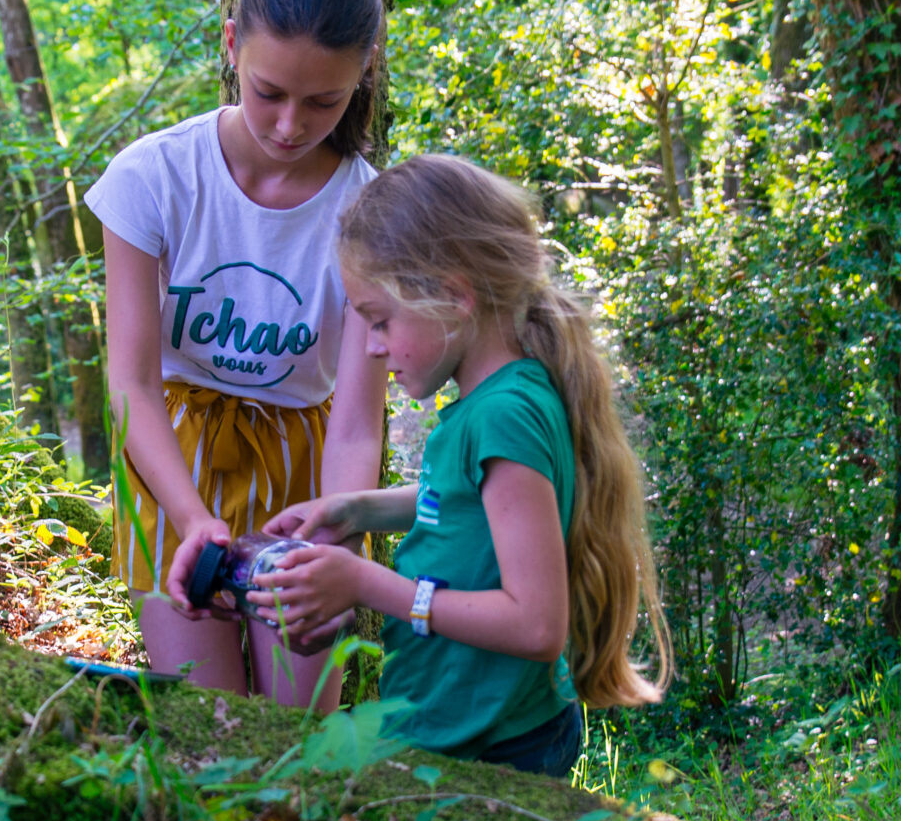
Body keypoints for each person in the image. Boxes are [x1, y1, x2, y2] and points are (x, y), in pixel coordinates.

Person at [243, 155, 673, 777]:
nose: (371, 346)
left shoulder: (503, 416)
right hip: (453, 726)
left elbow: (536, 625)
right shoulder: (501, 399)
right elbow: (467, 505)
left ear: (451, 295)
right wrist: (354, 508)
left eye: (380, 321)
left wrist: (368, 585)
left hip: (493, 747)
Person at [86, 0, 388, 707]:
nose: (291, 125)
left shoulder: (371, 213)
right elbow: (130, 382)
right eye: (269, 92)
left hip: (306, 465)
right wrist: (190, 519)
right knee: (207, 720)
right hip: (172, 456)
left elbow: (355, 424)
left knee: (297, 723)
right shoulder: (154, 178)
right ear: (231, 44)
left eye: (325, 102)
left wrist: (334, 541)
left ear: (363, 73)